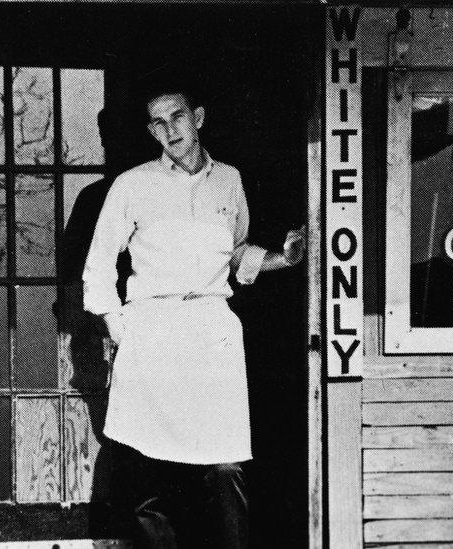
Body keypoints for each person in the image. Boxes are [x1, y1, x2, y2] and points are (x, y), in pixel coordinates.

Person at [82, 86, 305, 548]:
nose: (170, 130)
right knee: (147, 471)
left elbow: (235, 251)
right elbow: (99, 262)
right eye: (158, 123)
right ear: (150, 131)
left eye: (178, 116)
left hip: (210, 330)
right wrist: (121, 327)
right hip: (153, 330)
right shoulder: (133, 184)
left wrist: (283, 258)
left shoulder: (229, 180)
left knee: (223, 468)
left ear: (198, 117)